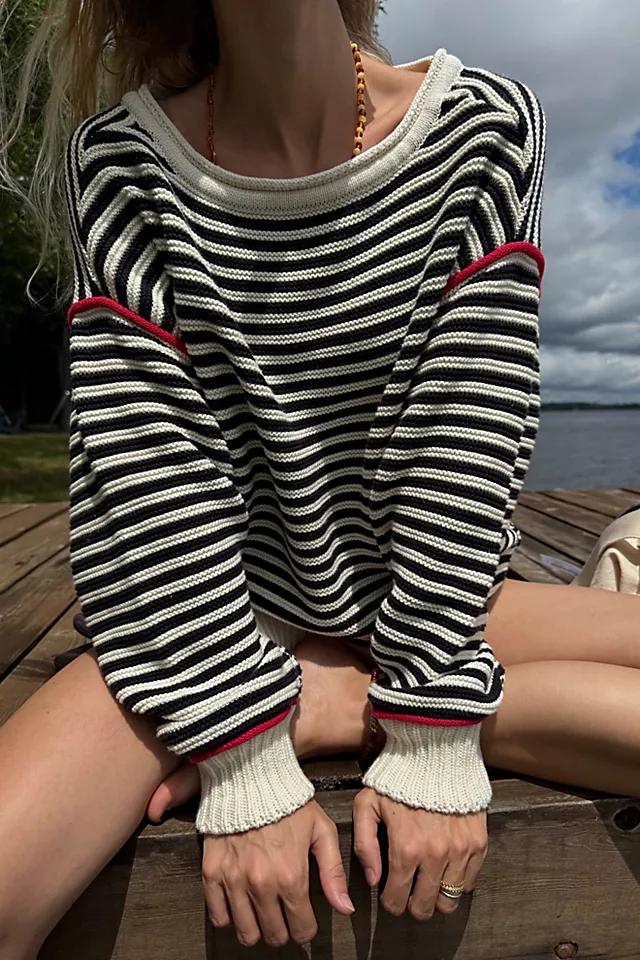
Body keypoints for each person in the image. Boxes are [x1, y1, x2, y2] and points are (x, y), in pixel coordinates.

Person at [1, 1, 639, 956]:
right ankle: (335, 696)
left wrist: (427, 720)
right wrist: (246, 751)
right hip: (211, 619)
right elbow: (152, 477)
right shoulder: (123, 163)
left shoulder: (484, 126)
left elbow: (465, 437)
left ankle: (340, 701)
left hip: (432, 601)